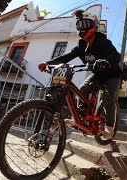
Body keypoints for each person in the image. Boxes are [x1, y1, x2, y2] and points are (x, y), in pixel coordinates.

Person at [38, 10, 122, 139]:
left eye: (86, 24)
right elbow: (67, 56)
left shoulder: (102, 41)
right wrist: (48, 63)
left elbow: (116, 55)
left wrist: (107, 61)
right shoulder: (81, 45)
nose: (82, 28)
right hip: (97, 74)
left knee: (108, 97)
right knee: (82, 89)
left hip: (112, 74)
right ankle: (80, 118)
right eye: (79, 25)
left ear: (93, 26)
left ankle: (109, 127)